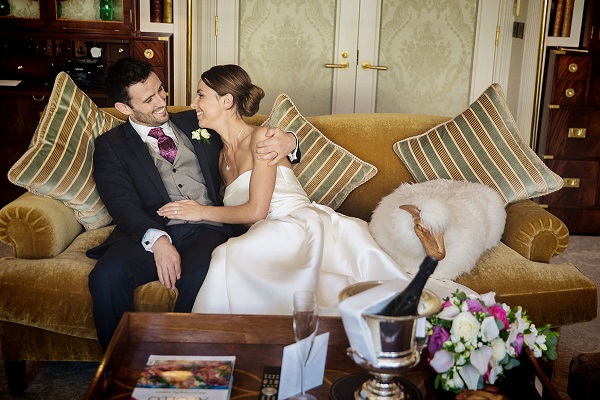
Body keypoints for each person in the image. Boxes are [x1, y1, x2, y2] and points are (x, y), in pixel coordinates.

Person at [157, 65, 470, 316]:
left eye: (200, 95)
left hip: (293, 224)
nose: (194, 103)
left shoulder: (264, 138)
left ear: (227, 101)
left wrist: (199, 212)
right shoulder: (217, 151)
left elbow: (256, 211)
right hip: (267, 232)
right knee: (235, 253)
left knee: (228, 255)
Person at [86, 58, 299, 350]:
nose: (163, 102)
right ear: (124, 108)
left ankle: (179, 363)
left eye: (161, 91)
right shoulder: (110, 146)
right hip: (151, 231)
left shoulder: (197, 120)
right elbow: (121, 204)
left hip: (207, 230)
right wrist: (158, 241)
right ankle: (118, 367)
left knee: (201, 274)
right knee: (105, 276)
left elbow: (249, 133)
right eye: (149, 100)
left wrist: (290, 141)